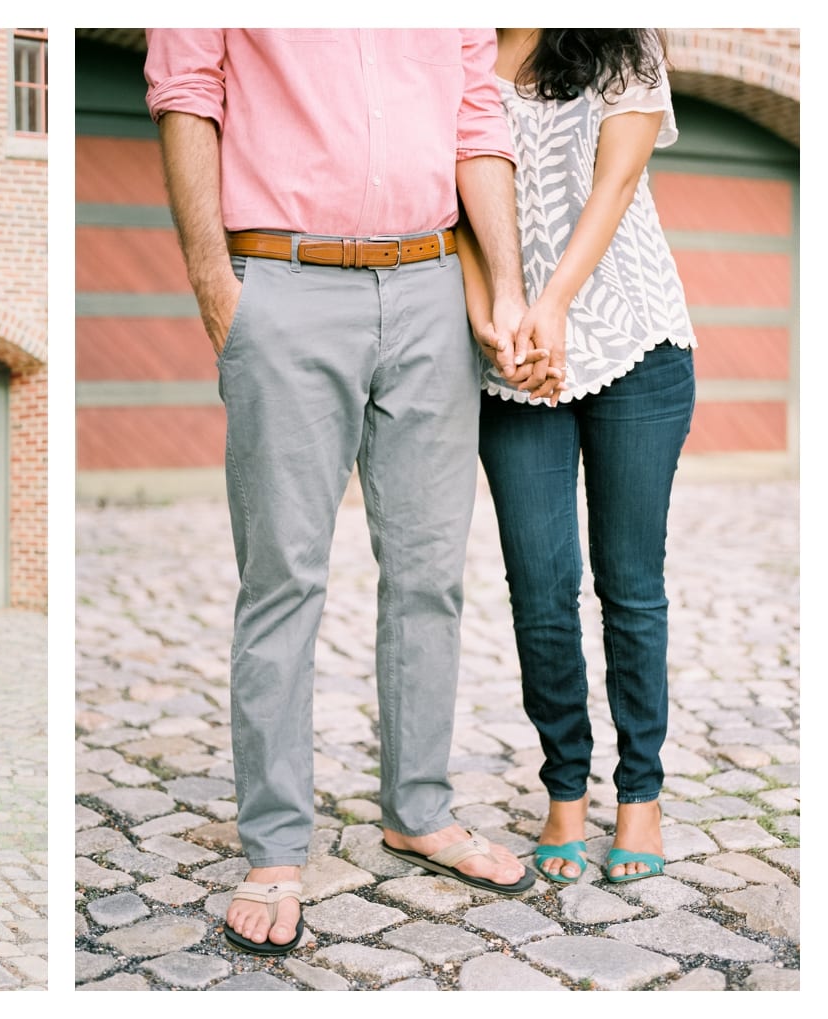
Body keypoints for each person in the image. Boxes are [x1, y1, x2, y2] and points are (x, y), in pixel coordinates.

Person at [144, 29, 537, 956]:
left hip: (433, 284)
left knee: (431, 573)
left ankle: (420, 808)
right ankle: (276, 848)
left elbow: (477, 120)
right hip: (280, 280)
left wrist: (509, 285)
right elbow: (187, 94)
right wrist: (214, 281)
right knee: (284, 578)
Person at [461, 29, 696, 885]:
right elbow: (450, 209)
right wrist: (493, 317)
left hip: (635, 340)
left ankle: (641, 792)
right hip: (514, 356)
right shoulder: (457, 47)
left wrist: (553, 301)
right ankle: (565, 786)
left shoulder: (621, 40)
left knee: (630, 584)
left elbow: (617, 182)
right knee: (541, 587)